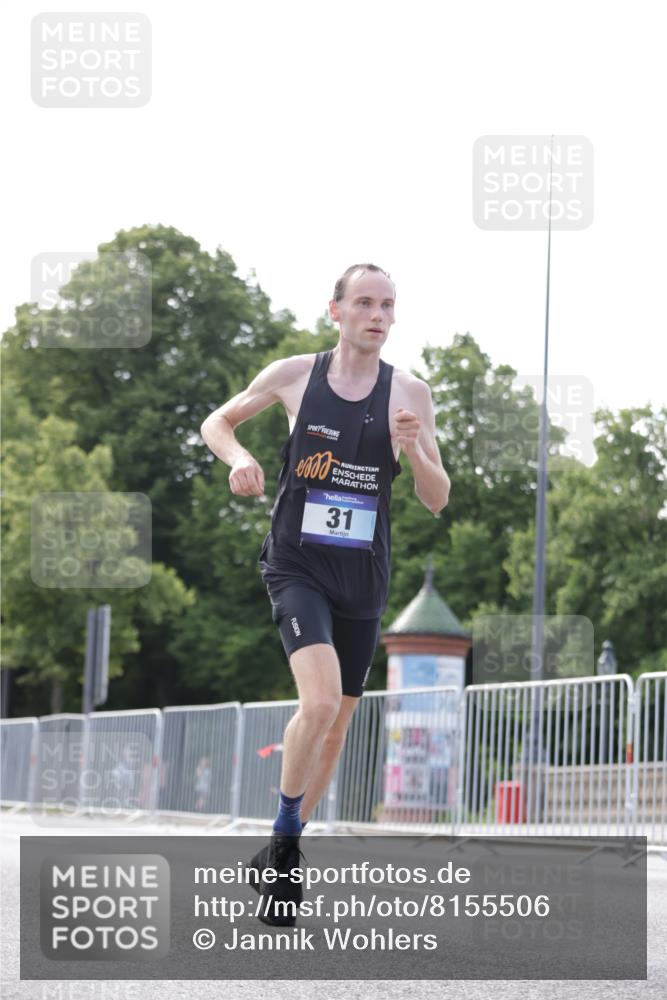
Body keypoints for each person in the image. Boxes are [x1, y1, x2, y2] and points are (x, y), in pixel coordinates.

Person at [200, 262, 450, 925]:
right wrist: (242, 460)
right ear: (335, 311)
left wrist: (413, 452)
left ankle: (285, 843)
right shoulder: (294, 376)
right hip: (297, 564)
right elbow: (216, 424)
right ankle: (284, 852)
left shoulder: (410, 395)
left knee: (336, 728)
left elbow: (436, 498)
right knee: (315, 703)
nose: (377, 314)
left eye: (387, 305)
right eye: (364, 302)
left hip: (362, 576)